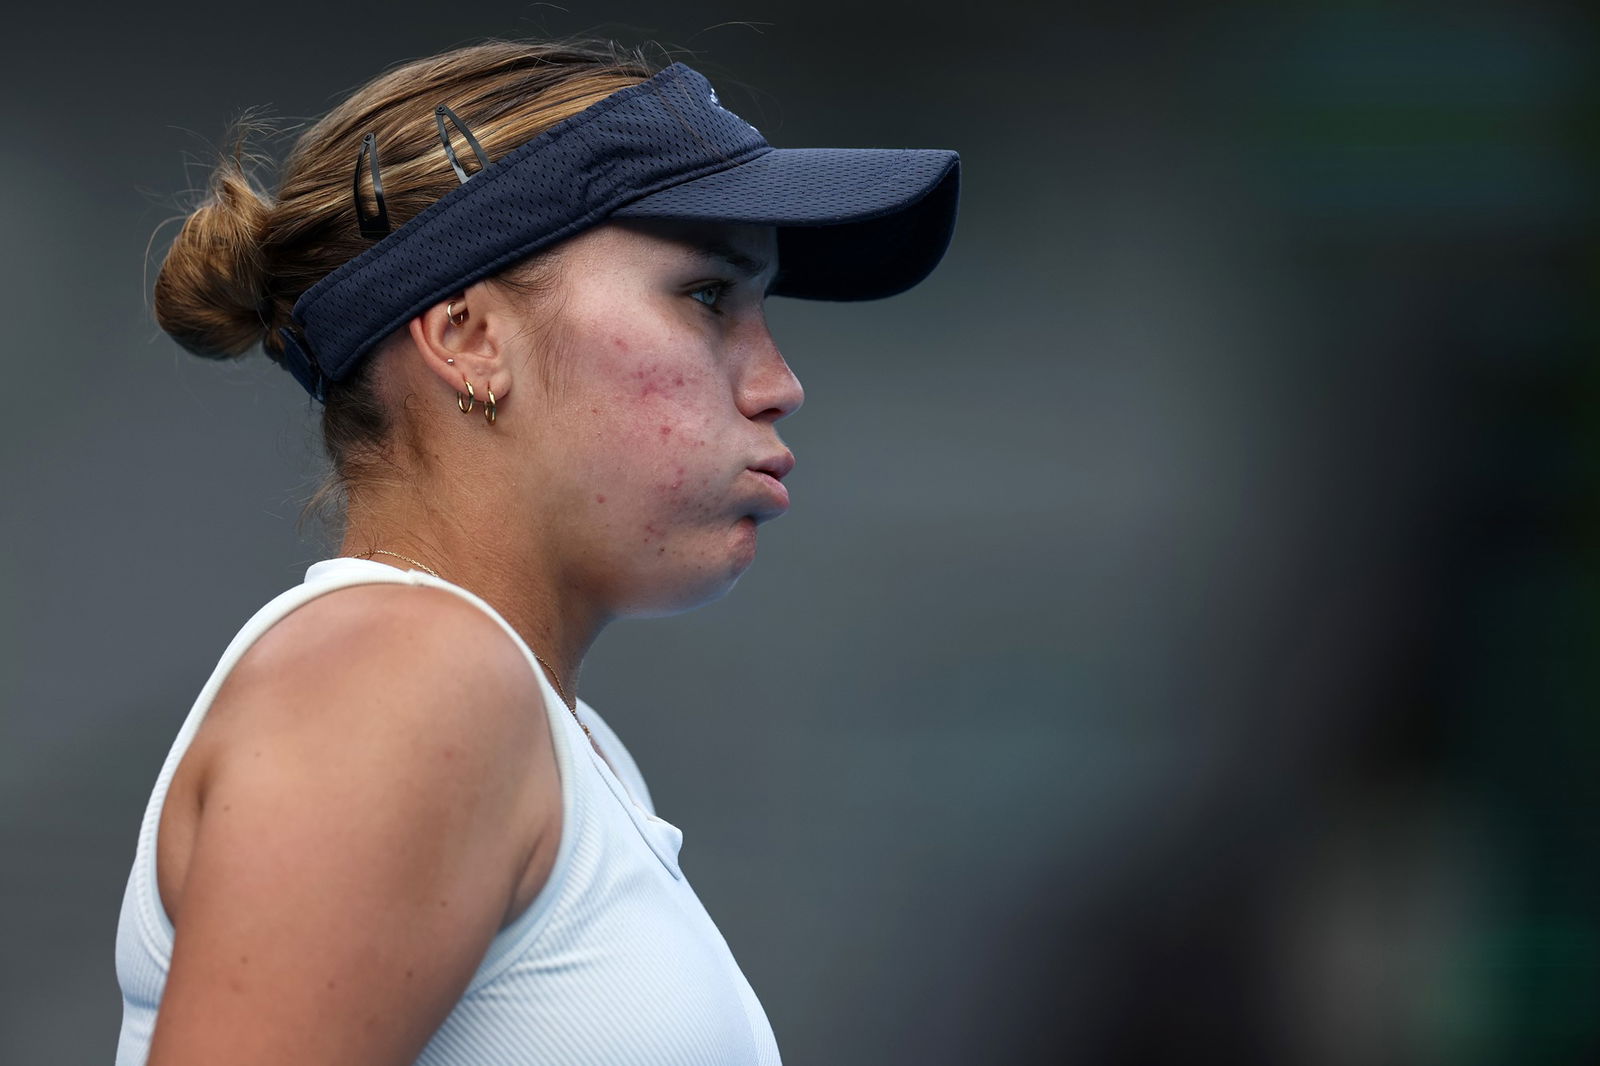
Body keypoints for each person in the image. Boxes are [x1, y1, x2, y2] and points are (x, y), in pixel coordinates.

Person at [114, 37, 959, 1066]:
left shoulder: (528, 721)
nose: (778, 381)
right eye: (706, 296)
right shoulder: (406, 677)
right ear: (469, 336)